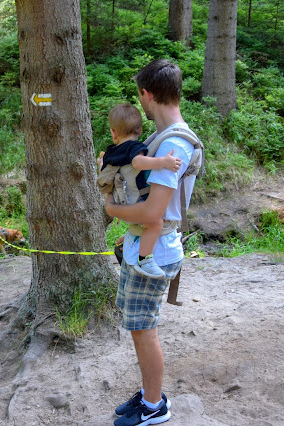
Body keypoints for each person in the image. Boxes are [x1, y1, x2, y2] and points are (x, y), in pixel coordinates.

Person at [105, 59, 198, 426]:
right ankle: (149, 394)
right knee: (139, 327)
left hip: (155, 249)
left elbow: (152, 212)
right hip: (147, 244)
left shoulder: (173, 143)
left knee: (144, 330)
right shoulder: (164, 140)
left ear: (146, 94)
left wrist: (111, 209)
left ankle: (155, 406)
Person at [97, 103, 181, 279]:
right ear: (140, 130)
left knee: (149, 223)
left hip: (121, 203)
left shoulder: (111, 152)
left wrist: (100, 164)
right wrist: (163, 162)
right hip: (136, 204)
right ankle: (145, 259)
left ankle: (138, 247)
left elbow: (104, 173)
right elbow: (137, 163)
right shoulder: (134, 147)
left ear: (113, 132)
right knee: (156, 223)